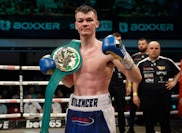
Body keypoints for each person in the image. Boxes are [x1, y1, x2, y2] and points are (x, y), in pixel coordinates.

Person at [39, 5, 142, 133]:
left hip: (100, 110)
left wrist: (124, 56)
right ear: (76, 25)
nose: (85, 24)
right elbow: (69, 82)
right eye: (81, 21)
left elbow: (136, 78)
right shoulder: (70, 53)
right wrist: (54, 71)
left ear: (97, 23)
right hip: (75, 109)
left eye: (89, 20)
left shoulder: (107, 50)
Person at [133, 41, 181, 133]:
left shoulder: (167, 61)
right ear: (147, 50)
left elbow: (179, 71)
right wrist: (135, 94)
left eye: (156, 48)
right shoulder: (141, 64)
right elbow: (135, 80)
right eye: (151, 48)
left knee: (165, 123)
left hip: (164, 98)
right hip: (147, 99)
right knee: (149, 123)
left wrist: (174, 82)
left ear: (160, 50)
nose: (154, 50)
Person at [127, 37, 149, 133]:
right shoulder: (134, 57)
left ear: (147, 44)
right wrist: (128, 85)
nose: (141, 45)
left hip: (147, 86)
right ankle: (131, 128)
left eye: (143, 44)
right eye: (139, 44)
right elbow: (128, 71)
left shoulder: (151, 56)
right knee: (132, 108)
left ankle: (149, 128)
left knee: (148, 108)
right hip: (135, 86)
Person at [108, 32, 128, 133]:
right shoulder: (105, 52)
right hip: (107, 85)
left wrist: (128, 85)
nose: (118, 41)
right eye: (116, 40)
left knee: (121, 110)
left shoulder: (124, 53)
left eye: (119, 40)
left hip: (119, 85)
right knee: (107, 110)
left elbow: (129, 70)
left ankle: (122, 130)